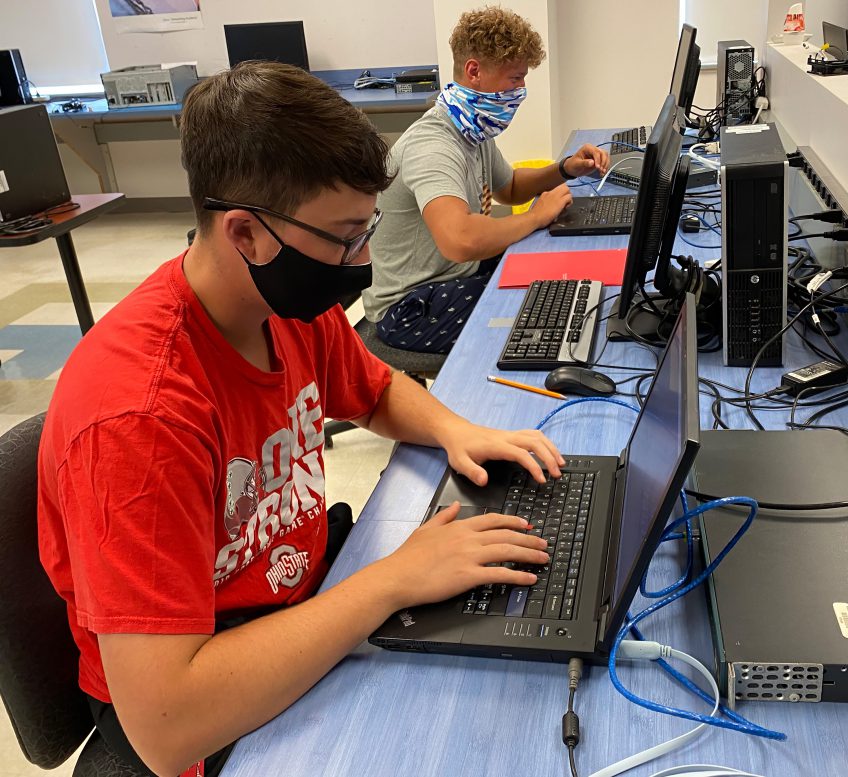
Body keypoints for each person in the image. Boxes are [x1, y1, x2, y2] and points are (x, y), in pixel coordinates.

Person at [37, 61, 563, 777]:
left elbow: (373, 390)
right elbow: (168, 727)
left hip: (299, 599)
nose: (365, 257)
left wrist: (454, 428)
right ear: (247, 235)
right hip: (206, 689)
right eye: (346, 235)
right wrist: (392, 581)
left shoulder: (278, 306)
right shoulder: (138, 416)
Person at [362, 6, 610, 354]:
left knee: (561, 283)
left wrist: (565, 168)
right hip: (409, 307)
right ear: (474, 71)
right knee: (547, 320)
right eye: (515, 78)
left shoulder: (470, 129)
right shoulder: (432, 146)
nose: (521, 90)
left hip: (455, 276)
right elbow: (459, 240)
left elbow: (508, 188)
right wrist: (538, 216)